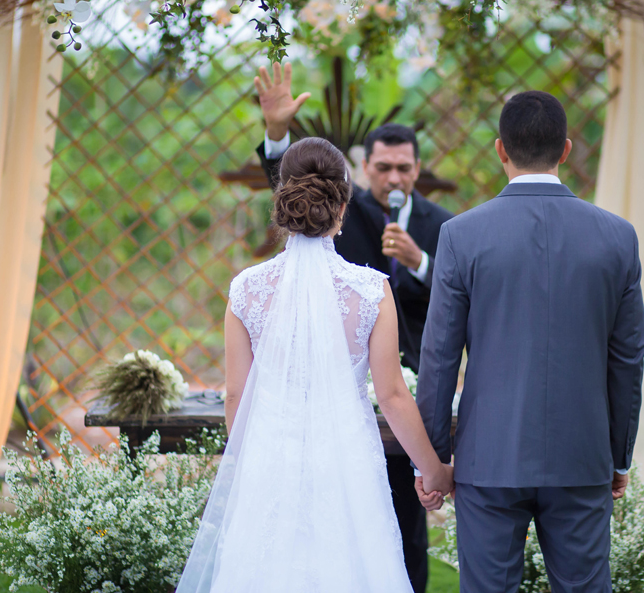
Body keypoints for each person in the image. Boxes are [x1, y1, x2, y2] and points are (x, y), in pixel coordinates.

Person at [176, 138, 454, 593]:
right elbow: (391, 396)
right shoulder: (370, 290)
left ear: (283, 201)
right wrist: (434, 470)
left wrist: (248, 467)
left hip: (270, 460)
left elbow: (236, 395)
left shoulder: (246, 289)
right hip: (347, 464)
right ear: (342, 207)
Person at [414, 91, 644, 593]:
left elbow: (439, 356)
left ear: (500, 149)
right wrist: (618, 455)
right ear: (566, 149)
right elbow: (628, 358)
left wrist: (432, 460)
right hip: (582, 456)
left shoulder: (460, 235)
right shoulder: (618, 237)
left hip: (489, 457)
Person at [251, 62, 452, 592]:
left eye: (403, 168)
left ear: (417, 168)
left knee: (404, 530)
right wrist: (277, 135)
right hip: (346, 394)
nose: (393, 178)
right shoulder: (343, 207)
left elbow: (461, 300)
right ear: (364, 170)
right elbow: (297, 193)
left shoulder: (443, 226)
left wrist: (422, 264)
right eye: (383, 168)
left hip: (412, 388)